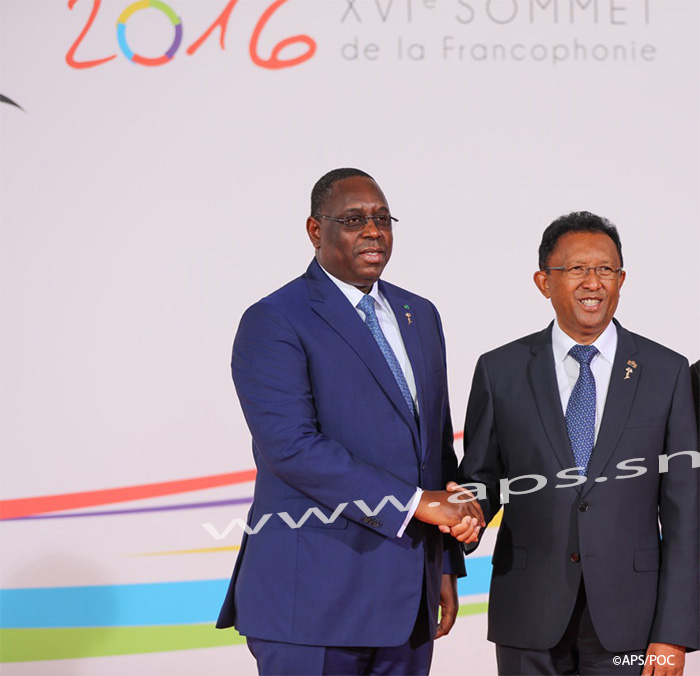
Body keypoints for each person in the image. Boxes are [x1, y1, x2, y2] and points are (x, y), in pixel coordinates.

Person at [216, 168, 482, 675]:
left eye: (383, 219)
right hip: (312, 604)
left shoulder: (420, 314)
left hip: (408, 600)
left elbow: (434, 449)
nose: (374, 231)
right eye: (355, 219)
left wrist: (445, 562)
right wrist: (416, 504)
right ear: (316, 230)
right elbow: (292, 448)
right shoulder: (274, 319)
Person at [451, 212, 699, 675]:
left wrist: (674, 631)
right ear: (544, 281)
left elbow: (685, 513)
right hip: (527, 612)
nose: (593, 282)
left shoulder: (667, 372)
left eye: (605, 269)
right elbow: (482, 478)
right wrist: (469, 514)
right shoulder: (500, 370)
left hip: (633, 619)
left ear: (621, 279)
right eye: (577, 269)